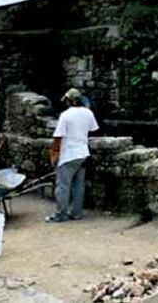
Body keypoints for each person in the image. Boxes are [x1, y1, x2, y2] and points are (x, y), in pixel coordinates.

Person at [46, 88, 99, 223]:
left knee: (63, 186)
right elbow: (93, 130)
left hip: (69, 154)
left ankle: (61, 214)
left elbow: (57, 137)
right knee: (78, 185)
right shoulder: (88, 113)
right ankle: (76, 213)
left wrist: (54, 154)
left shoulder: (65, 115)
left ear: (69, 101)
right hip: (83, 153)